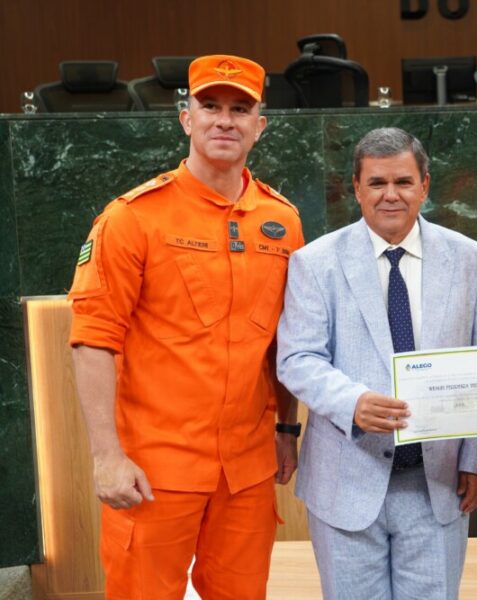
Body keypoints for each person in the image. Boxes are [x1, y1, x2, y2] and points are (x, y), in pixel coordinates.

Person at [68, 54, 304, 599]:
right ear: (186, 119)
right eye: (211, 106)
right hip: (155, 468)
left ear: (259, 126)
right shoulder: (133, 217)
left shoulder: (283, 221)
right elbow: (92, 339)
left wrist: (287, 430)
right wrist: (106, 456)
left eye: (240, 109)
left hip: (246, 470)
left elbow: (285, 341)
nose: (225, 120)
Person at [276, 127, 477, 600]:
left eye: (403, 181)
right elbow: (297, 358)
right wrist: (352, 402)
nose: (390, 194)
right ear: (356, 188)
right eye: (377, 183)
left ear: (425, 185)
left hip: (436, 484)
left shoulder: (468, 258)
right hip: (346, 481)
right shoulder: (315, 262)